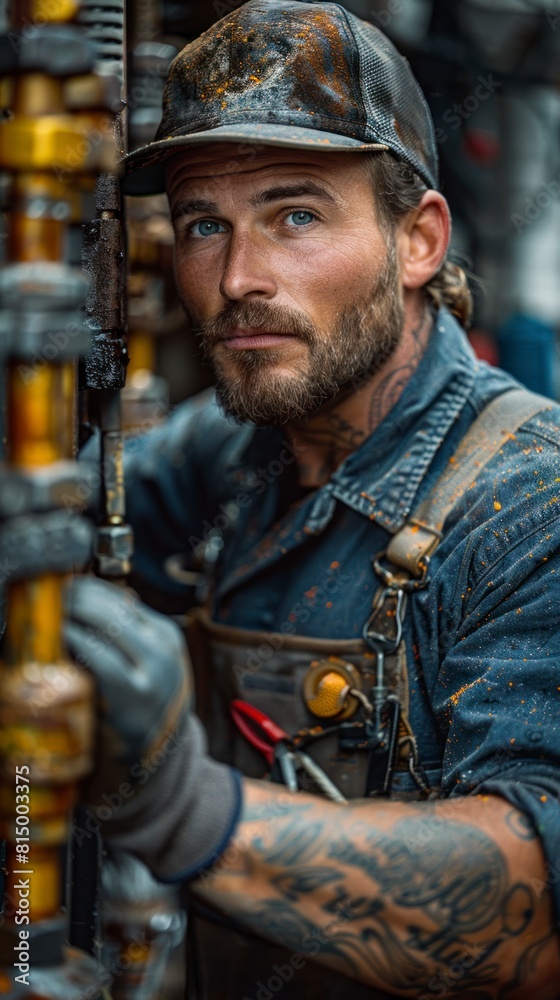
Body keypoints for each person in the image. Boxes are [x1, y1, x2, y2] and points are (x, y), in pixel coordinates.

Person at [38, 1, 560, 996]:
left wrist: (180, 808)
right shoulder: (236, 453)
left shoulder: (526, 502)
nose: (237, 278)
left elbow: (530, 916)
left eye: (294, 214)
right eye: (203, 224)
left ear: (418, 240)